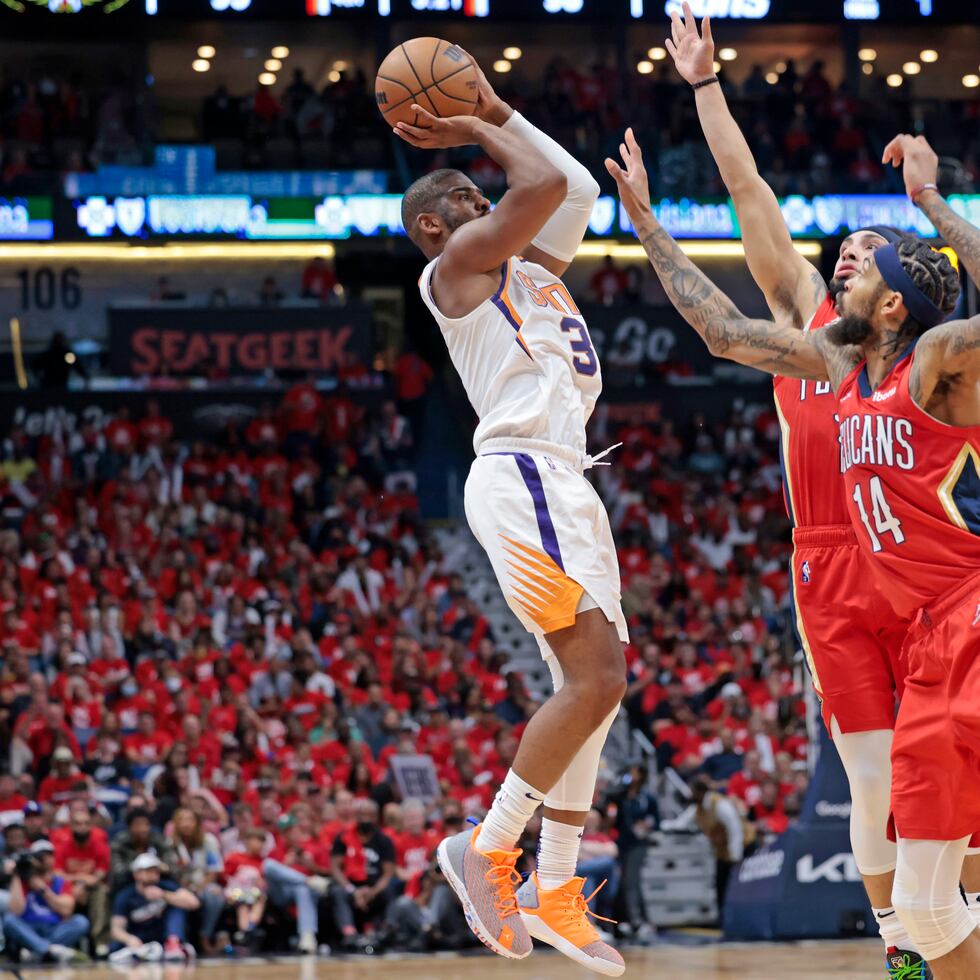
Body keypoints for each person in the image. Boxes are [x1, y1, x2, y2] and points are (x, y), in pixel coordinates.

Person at [607, 123, 980, 980]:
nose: (848, 254)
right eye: (843, 247)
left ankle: (941, 918)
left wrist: (929, 202)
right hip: (838, 568)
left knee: (947, 778)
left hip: (937, 583)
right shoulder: (824, 344)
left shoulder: (929, 363)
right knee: (881, 781)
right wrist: (653, 218)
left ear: (897, 294)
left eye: (867, 248)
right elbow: (740, 260)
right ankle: (907, 944)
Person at [396, 52, 626, 974]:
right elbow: (535, 181)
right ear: (430, 225)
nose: (475, 187)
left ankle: (557, 884)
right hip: (522, 473)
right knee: (596, 678)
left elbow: (564, 183)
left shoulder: (525, 266)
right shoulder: (459, 264)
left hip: (567, 478)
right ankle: (487, 850)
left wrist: (491, 107)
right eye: (459, 188)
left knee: (597, 693)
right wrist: (475, 125)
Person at [3, 839, 89, 964]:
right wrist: (17, 875)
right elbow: (16, 911)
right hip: (29, 927)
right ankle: (48, 950)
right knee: (9, 920)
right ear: (33, 860)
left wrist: (43, 890)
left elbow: (67, 910)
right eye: (40, 856)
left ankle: (37, 950)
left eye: (48, 855)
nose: (45, 859)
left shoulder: (61, 881)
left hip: (54, 929)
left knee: (81, 921)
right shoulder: (23, 881)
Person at [329, 798, 395, 951]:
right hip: (350, 886)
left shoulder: (384, 841)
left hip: (374, 888)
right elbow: (335, 868)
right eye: (362, 815)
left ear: (375, 817)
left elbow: (387, 873)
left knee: (390, 890)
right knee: (337, 891)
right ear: (356, 817)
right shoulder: (343, 838)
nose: (366, 819)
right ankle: (349, 933)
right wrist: (353, 891)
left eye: (369, 815)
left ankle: (384, 932)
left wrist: (372, 892)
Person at [110, 852, 200, 963]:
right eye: (148, 871)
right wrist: (129, 939)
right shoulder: (125, 896)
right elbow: (116, 929)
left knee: (178, 904)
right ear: (136, 874)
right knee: (114, 949)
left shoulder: (166, 886)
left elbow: (194, 903)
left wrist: (164, 895)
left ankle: (174, 944)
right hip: (140, 939)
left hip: (164, 935)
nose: (153, 875)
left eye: (155, 871)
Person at [54, 805, 111, 957]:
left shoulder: (99, 846)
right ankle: (65, 942)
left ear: (91, 825)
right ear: (71, 825)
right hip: (68, 889)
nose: (82, 827)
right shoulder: (63, 847)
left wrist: (82, 884)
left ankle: (100, 942)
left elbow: (99, 875)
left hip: (91, 889)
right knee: (61, 891)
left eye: (86, 823)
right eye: (78, 823)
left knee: (101, 891)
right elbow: (58, 874)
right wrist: (79, 882)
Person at [689, 776, 745, 915]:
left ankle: (737, 915)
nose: (691, 795)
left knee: (739, 886)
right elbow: (684, 821)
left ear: (700, 792)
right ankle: (723, 917)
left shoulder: (719, 804)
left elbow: (735, 828)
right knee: (721, 884)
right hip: (722, 851)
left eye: (693, 792)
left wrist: (735, 855)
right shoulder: (698, 807)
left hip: (741, 848)